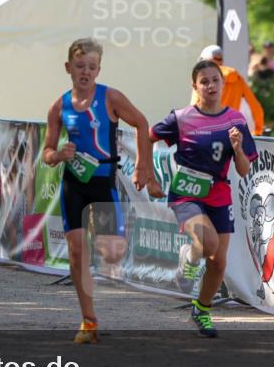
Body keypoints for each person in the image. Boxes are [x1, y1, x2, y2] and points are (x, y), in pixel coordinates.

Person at [41, 38, 154, 344]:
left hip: (103, 180)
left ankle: (114, 233)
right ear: (68, 68)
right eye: (79, 66)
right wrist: (58, 155)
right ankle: (88, 321)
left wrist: (143, 166)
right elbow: (47, 152)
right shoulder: (59, 106)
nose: (85, 72)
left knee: (111, 254)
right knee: (77, 252)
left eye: (91, 67)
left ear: (99, 69)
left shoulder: (110, 98)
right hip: (73, 183)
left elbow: (142, 123)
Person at [151, 59, 258, 337]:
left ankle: (202, 308)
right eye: (204, 81)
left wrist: (237, 148)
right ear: (195, 86)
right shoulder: (181, 118)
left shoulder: (235, 120)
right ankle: (189, 254)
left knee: (219, 262)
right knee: (208, 243)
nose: (210, 85)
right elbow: (147, 135)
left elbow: (244, 170)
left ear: (223, 83)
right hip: (186, 194)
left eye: (215, 80)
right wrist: (145, 171)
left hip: (219, 194)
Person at [192, 45, 265, 135]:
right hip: (231, 132)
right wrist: (258, 131)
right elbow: (255, 107)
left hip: (208, 131)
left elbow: (195, 106)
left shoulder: (203, 78)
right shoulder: (237, 78)